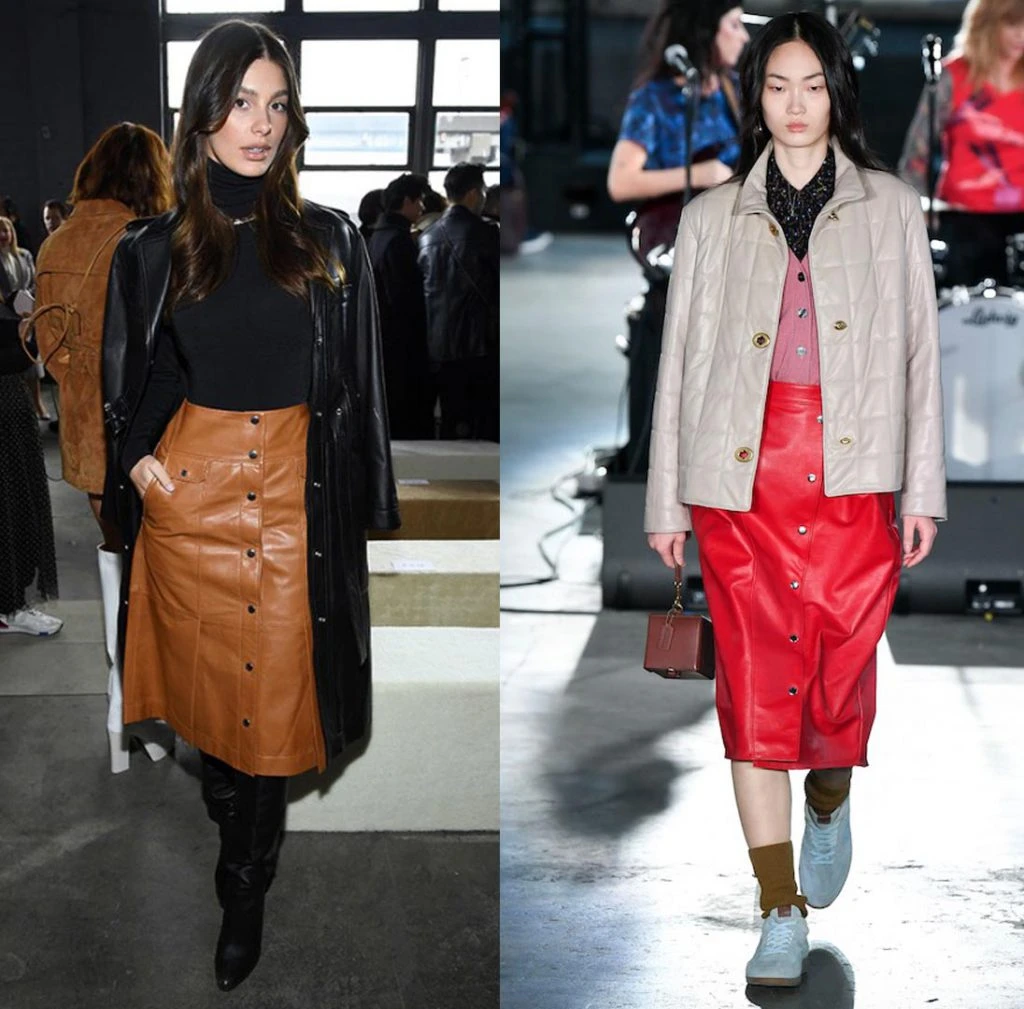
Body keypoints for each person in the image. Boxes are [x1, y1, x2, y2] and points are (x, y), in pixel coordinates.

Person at [644, 12, 946, 988]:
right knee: (752, 692)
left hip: (856, 477)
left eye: (812, 85)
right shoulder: (709, 219)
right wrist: (666, 500)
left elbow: (920, 355)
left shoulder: (892, 208)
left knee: (837, 680)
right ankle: (778, 908)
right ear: (755, 97)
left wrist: (923, 486)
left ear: (836, 93)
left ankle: (829, 791)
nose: (795, 104)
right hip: (740, 484)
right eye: (777, 86)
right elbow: (680, 367)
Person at [100, 19, 399, 991]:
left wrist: (367, 501)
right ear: (202, 114)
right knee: (209, 713)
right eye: (240, 103)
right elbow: (141, 385)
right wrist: (143, 471)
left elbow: (362, 391)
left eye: (276, 105)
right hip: (190, 496)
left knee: (269, 715)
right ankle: (231, 816)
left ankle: (244, 885)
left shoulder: (330, 240)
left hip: (291, 500)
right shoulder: (152, 248)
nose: (260, 124)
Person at [31, 122, 175, 774]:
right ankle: (147, 710)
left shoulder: (57, 241)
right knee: (160, 580)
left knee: (117, 565)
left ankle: (127, 708)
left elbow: (50, 353)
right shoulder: (150, 239)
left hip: (90, 442)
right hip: (153, 439)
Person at [606, 0, 748, 474]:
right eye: (733, 24)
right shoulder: (658, 99)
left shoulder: (733, 91)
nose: (743, 36)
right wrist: (700, 174)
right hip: (679, 243)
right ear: (706, 30)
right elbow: (621, 182)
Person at [899, 0, 1024, 286]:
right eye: (1012, 24)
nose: (1021, 34)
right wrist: (915, 211)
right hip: (964, 221)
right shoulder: (952, 76)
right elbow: (916, 154)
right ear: (987, 24)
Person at [0, 226, 61, 637]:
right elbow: (19, 355)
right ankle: (9, 606)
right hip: (5, 404)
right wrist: (21, 333)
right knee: (11, 505)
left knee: (14, 504)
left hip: (10, 403)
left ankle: (10, 603)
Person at [418, 162, 499, 441]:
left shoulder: (427, 236)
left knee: (451, 421)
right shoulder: (486, 233)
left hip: (437, 344)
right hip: (478, 344)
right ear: (474, 194)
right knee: (482, 423)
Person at [367, 172, 433, 438]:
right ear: (407, 201)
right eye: (419, 201)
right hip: (402, 342)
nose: (422, 208)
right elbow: (406, 298)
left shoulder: (378, 237)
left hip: (384, 339)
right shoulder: (399, 241)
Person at [0, 215, 48, 420]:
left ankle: (38, 404)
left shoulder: (25, 255)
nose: (2, 235)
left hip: (28, 311)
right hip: (7, 317)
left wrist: (27, 300)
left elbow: (35, 280)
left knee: (32, 364)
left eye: (5, 230)